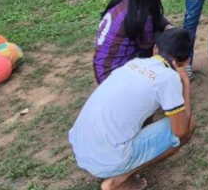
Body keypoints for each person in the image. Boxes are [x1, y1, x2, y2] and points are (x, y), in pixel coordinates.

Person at [70, 28, 197, 190]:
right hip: (105, 162)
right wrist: (185, 83)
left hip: (82, 150)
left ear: (155, 49)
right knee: (189, 124)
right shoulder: (168, 78)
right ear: (186, 62)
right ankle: (120, 180)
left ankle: (120, 164)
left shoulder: (134, 63)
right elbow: (181, 131)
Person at [94, 0, 171, 84]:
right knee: (169, 53)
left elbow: (156, 17)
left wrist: (167, 26)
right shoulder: (140, 15)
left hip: (102, 67)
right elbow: (149, 49)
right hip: (112, 78)